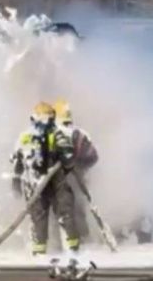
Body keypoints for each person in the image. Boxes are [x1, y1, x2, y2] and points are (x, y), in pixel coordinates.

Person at [10, 102, 80, 256]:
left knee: (39, 217)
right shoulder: (57, 133)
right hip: (53, 182)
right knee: (64, 212)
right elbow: (69, 161)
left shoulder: (24, 136)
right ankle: (72, 250)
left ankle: (41, 252)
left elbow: (16, 161)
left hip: (36, 183)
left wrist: (15, 181)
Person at [52, 99, 98, 243]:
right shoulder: (80, 134)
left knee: (60, 213)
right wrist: (80, 165)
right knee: (77, 211)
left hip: (60, 181)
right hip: (78, 180)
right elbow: (93, 156)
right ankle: (84, 240)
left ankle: (65, 244)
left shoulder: (52, 134)